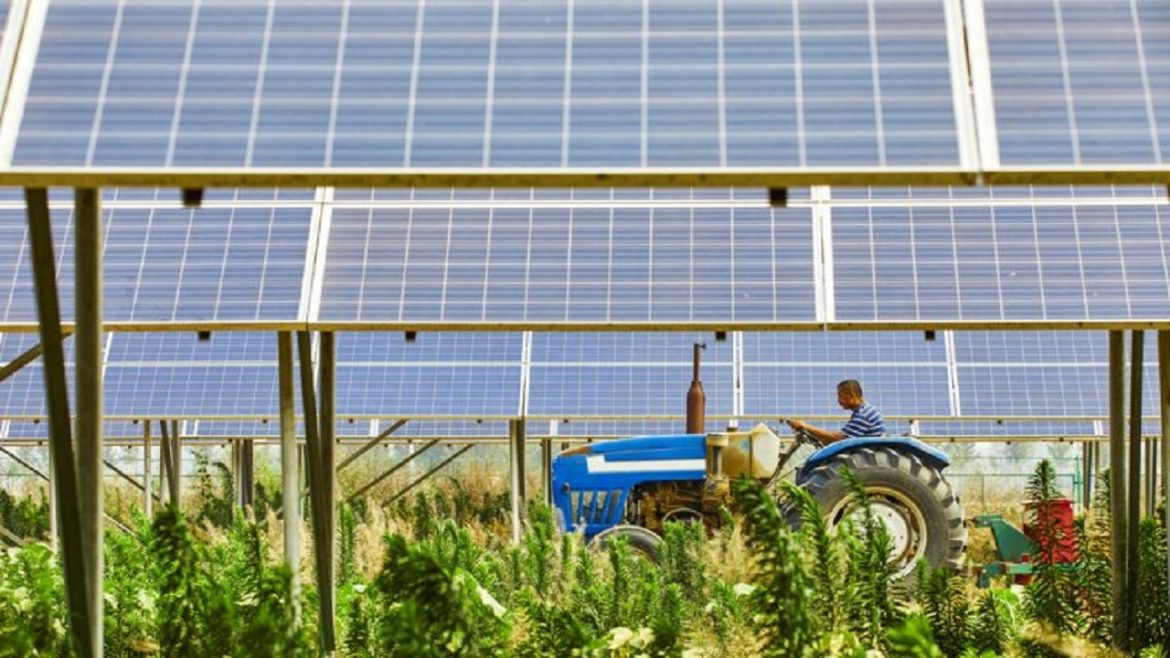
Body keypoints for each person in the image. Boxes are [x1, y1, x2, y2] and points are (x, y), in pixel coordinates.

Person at [785, 379, 885, 445]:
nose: (838, 400)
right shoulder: (864, 411)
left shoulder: (864, 415)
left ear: (850, 396)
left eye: (840, 395)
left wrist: (804, 426)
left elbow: (838, 439)